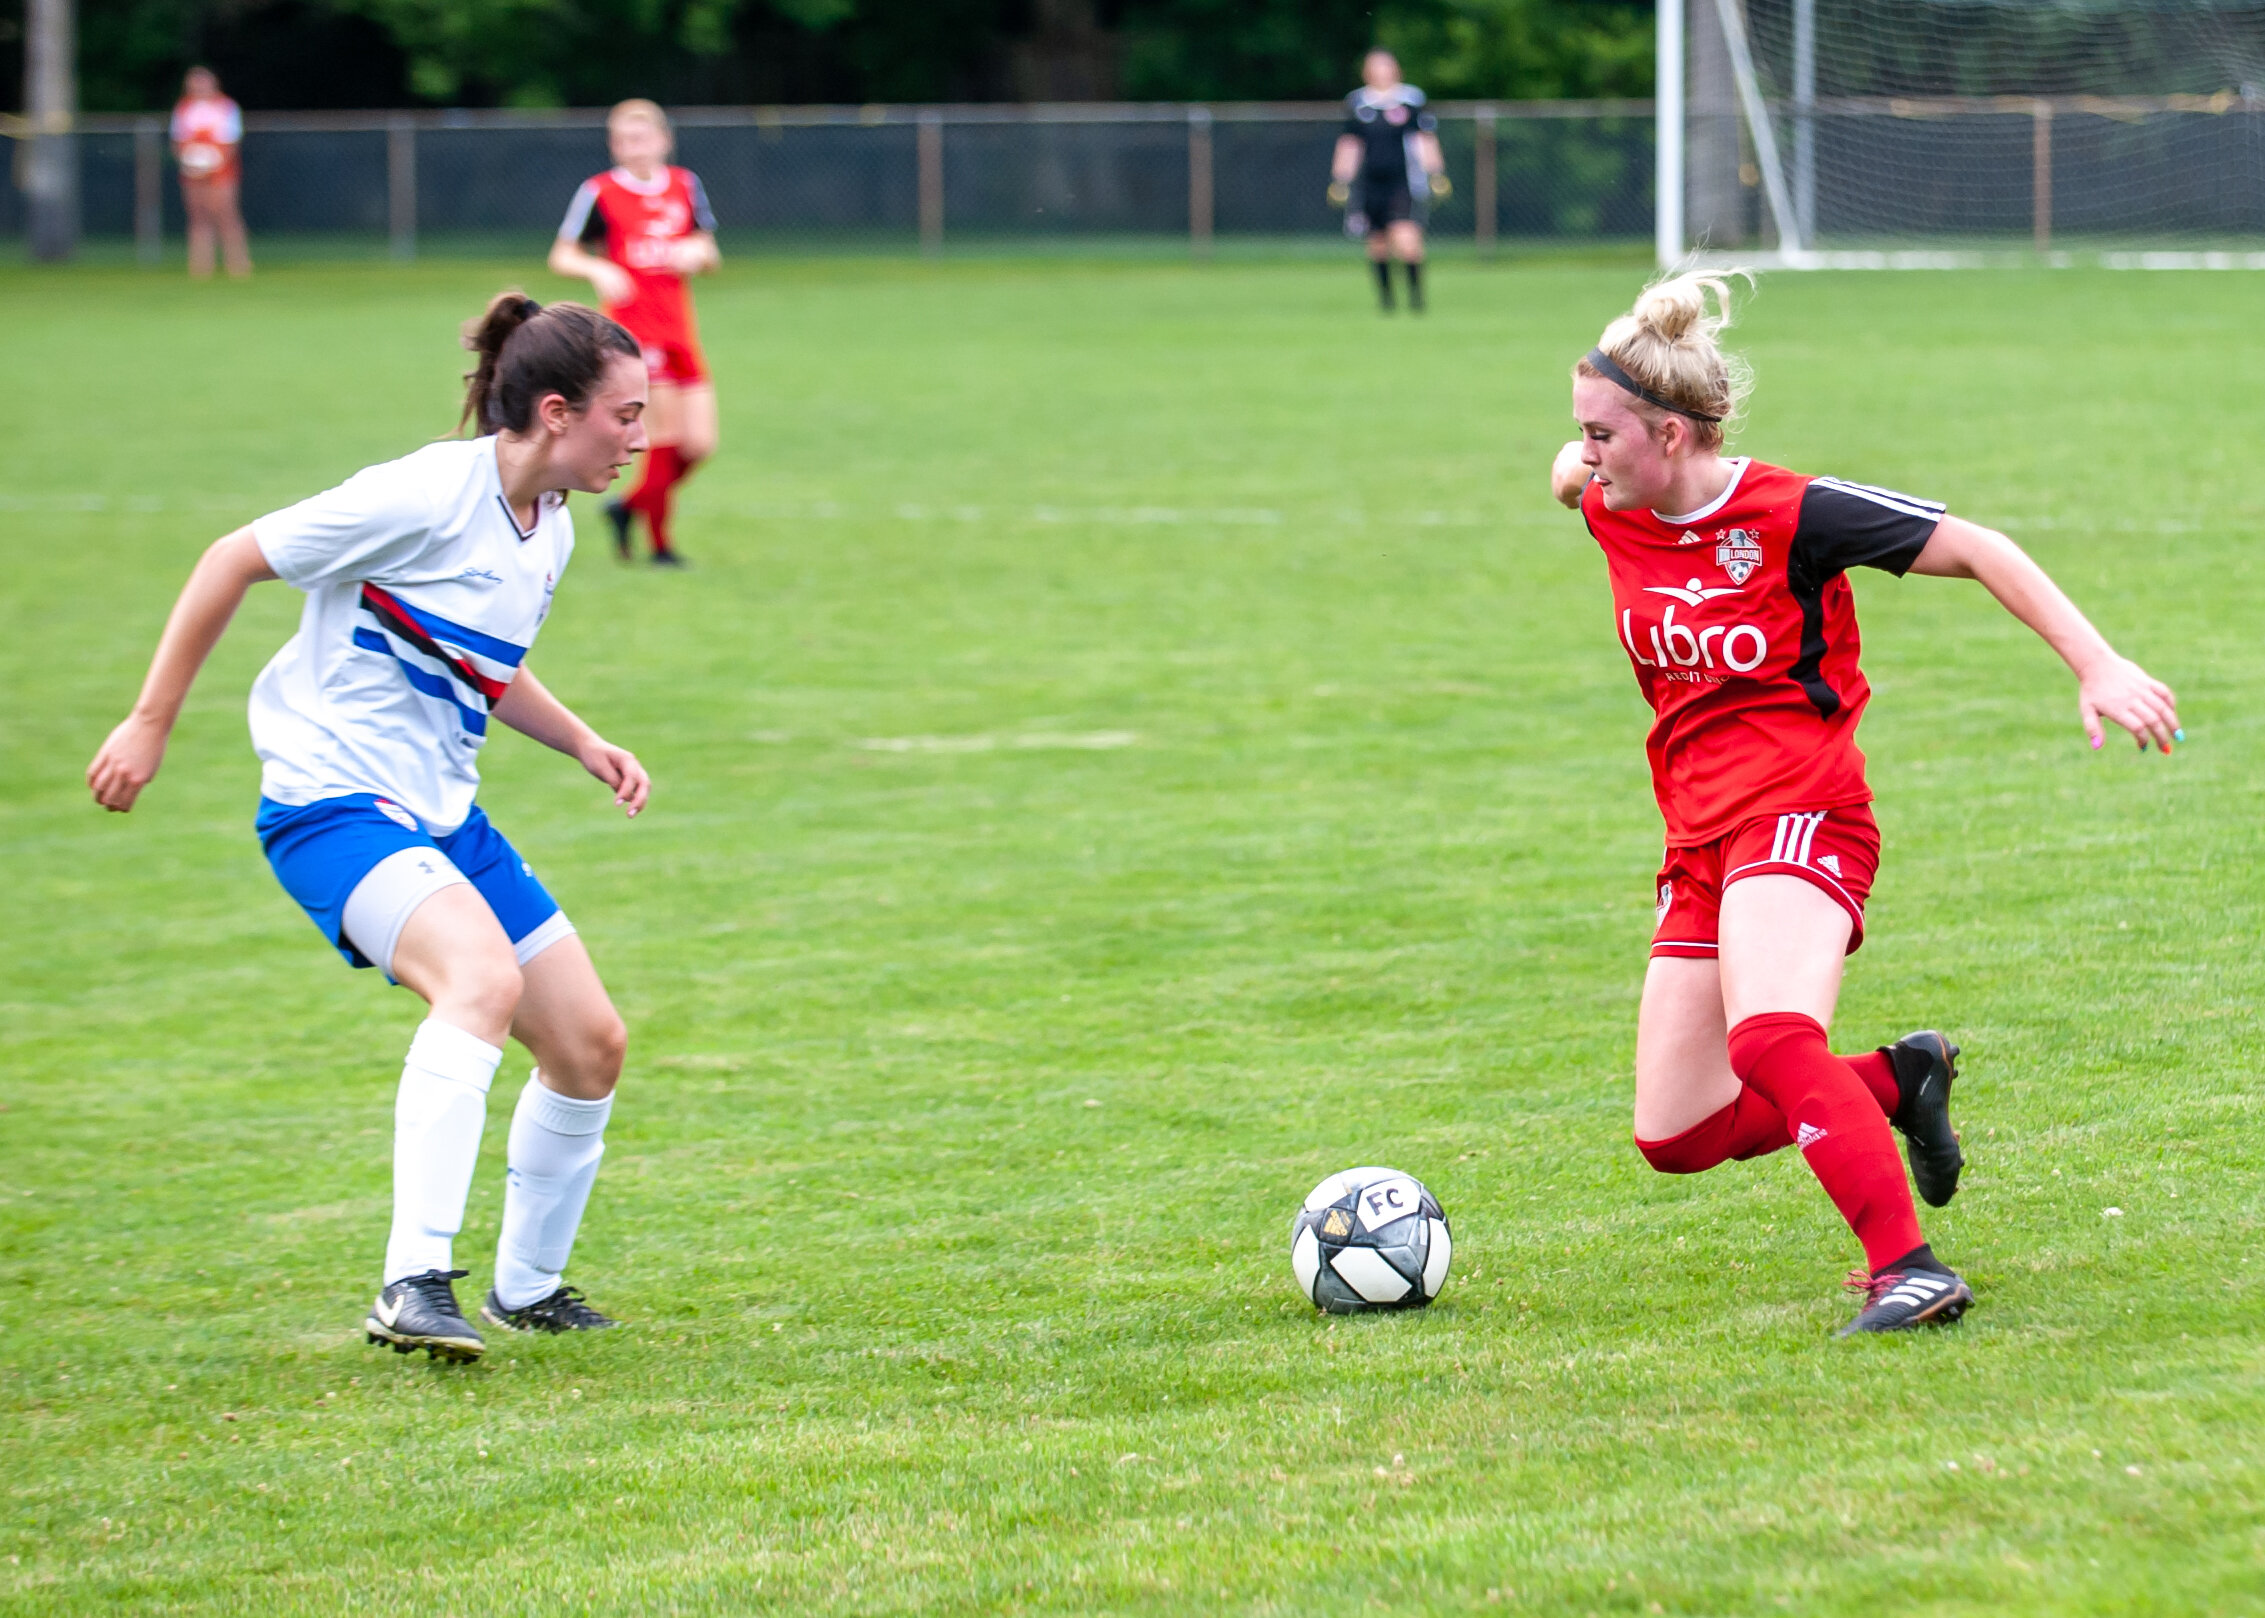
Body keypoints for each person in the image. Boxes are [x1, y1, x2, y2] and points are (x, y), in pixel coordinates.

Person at [1547, 272, 2180, 1335]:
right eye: (1583, 435)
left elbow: (1978, 547)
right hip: (1697, 838)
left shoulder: (1795, 512)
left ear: (1669, 433)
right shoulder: (1611, 495)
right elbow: (1564, 472)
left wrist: (2097, 662)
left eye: (1605, 435)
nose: (1587, 453)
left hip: (1802, 810)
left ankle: (1911, 1268)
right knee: (1678, 1130)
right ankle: (1899, 1079)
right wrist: (1583, 445)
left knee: (1772, 1039)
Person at [86, 293, 655, 1362]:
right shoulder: (423, 493)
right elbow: (229, 558)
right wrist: (149, 722)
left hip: (442, 810)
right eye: (624, 415)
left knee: (589, 1045)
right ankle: (411, 1280)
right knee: (479, 982)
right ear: (552, 411)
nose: (639, 437)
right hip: (331, 802)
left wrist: (582, 741)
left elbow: (477, 657)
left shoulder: (552, 528)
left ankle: (526, 1289)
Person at [549, 99, 720, 567]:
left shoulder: (685, 186)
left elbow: (709, 249)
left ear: (664, 140)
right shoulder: (600, 192)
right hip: (634, 336)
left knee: (700, 444)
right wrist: (598, 269)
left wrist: (695, 253)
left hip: (681, 330)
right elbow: (562, 255)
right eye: (623, 140)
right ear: (613, 146)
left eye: (642, 138)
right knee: (664, 437)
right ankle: (661, 547)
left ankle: (627, 508)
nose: (634, 148)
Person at [1329, 50, 1448, 314]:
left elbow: (1424, 139)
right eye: (1375, 67)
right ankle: (1387, 301)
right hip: (1370, 184)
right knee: (1378, 244)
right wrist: (1340, 179)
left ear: (1396, 70)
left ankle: (1416, 300)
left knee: (1407, 240)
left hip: (1403, 182)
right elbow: (1350, 145)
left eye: (1386, 67)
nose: (1381, 72)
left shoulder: (1410, 100)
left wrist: (1436, 173)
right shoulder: (1358, 103)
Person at [170, 66, 252, 279]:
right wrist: (189, 164)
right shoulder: (184, 108)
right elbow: (178, 142)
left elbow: (230, 142)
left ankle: (238, 264)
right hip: (192, 173)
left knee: (226, 215)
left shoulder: (226, 107)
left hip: (221, 172)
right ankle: (200, 267)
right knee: (198, 217)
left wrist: (212, 165)